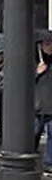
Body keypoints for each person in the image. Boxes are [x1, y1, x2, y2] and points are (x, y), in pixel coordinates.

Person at [35, 37, 52, 168]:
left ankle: (48, 162)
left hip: (50, 103)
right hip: (38, 104)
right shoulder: (35, 59)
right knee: (35, 132)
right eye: (46, 44)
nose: (49, 46)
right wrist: (37, 72)